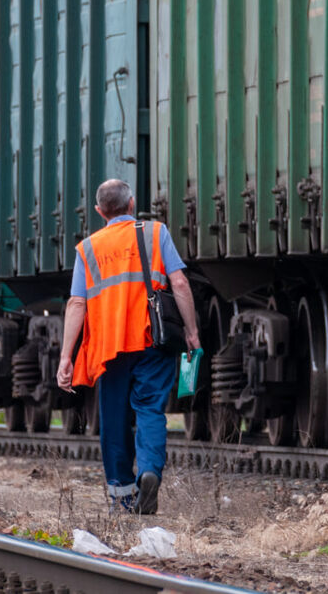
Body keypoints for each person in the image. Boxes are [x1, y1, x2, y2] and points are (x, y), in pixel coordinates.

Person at [56, 179, 200, 515]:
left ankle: (122, 496)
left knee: (114, 419)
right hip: (152, 339)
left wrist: (66, 356)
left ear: (99, 211)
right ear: (132, 204)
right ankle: (150, 470)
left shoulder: (87, 248)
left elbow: (77, 303)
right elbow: (179, 281)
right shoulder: (155, 232)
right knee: (150, 409)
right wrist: (191, 333)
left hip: (108, 347)